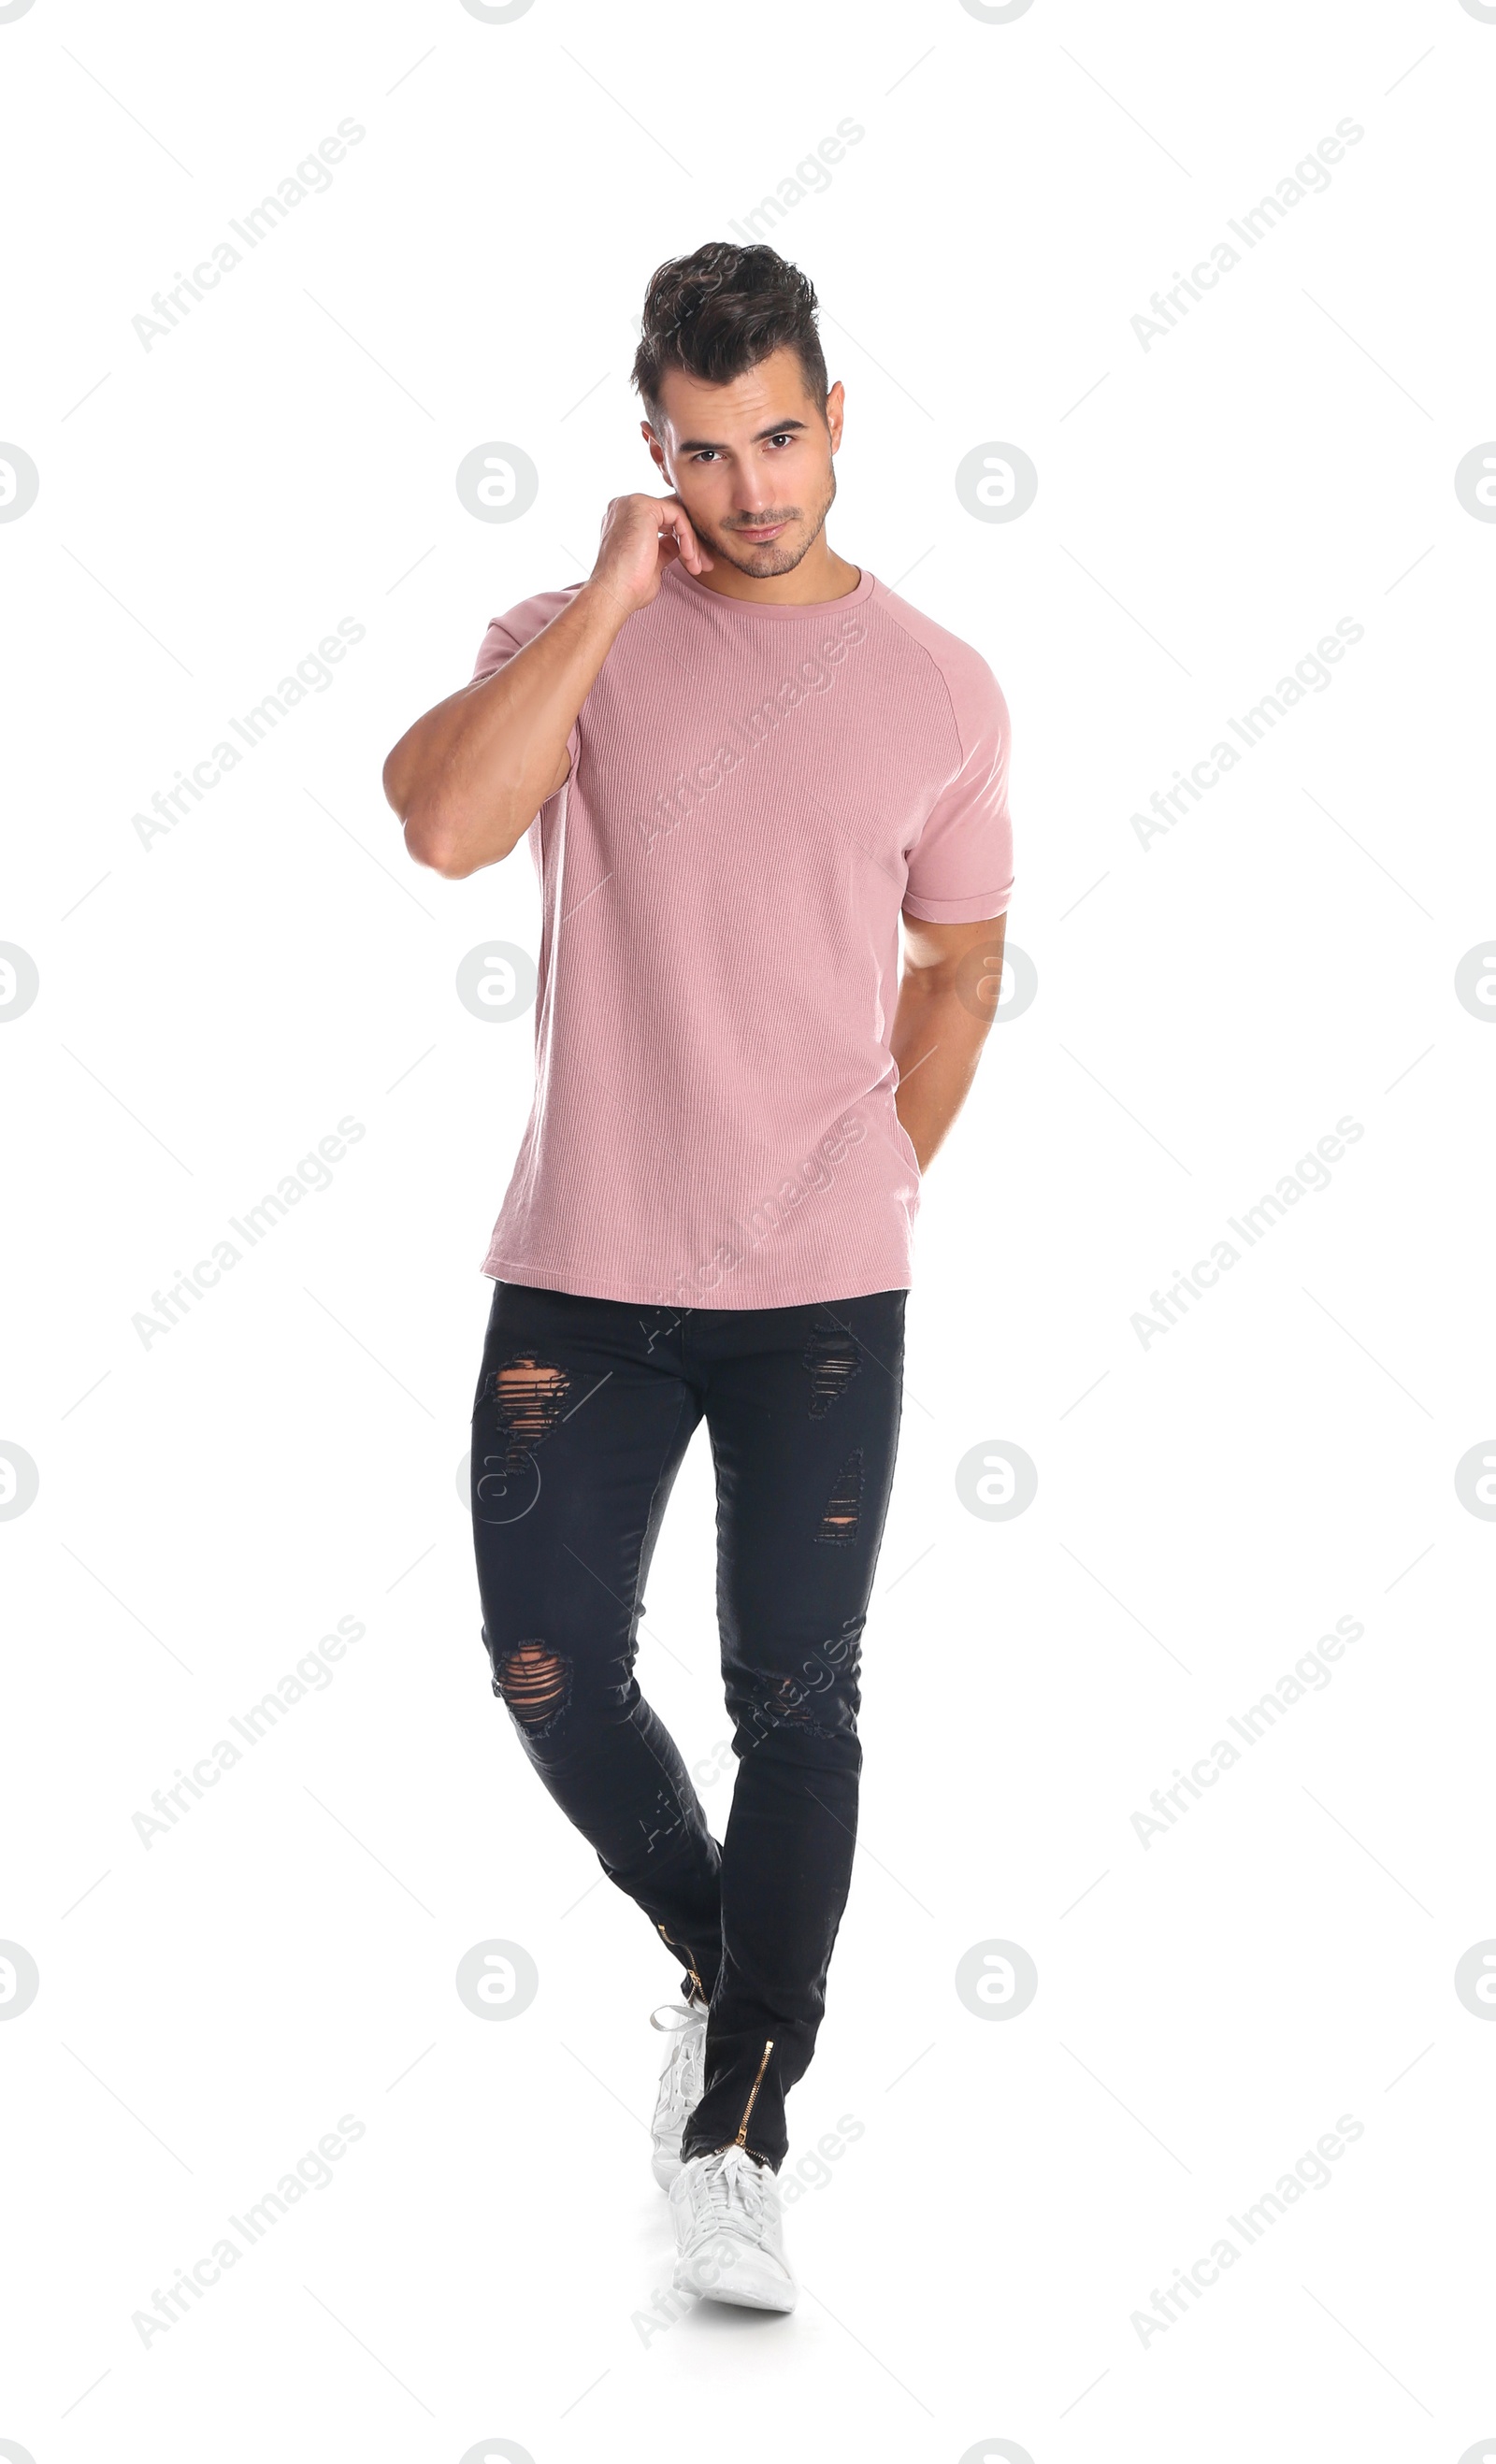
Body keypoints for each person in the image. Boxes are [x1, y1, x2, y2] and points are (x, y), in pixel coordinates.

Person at [381, 240, 1014, 2314]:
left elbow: (957, 956)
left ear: (838, 420)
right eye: (702, 449)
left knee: (797, 1699)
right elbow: (449, 827)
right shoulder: (569, 635)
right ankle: (719, 1950)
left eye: (778, 439)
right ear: (648, 447)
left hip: (823, 1291)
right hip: (581, 1265)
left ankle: (739, 2117)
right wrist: (606, 600)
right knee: (546, 1669)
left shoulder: (936, 685)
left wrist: (875, 1176)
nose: (749, 487)